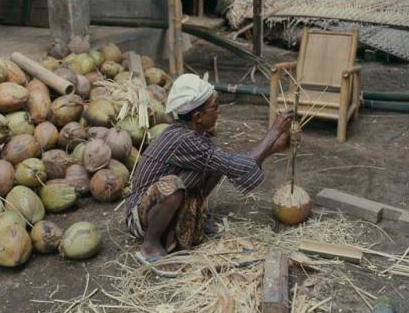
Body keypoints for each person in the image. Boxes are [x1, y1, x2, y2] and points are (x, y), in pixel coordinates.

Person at [125, 74, 293, 275]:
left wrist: (273, 147)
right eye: (215, 107)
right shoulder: (182, 140)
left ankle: (196, 217)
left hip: (157, 207)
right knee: (171, 187)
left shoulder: (194, 136)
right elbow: (237, 165)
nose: (218, 112)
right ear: (198, 117)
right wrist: (274, 132)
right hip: (139, 216)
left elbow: (231, 165)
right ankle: (150, 245)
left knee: (216, 164)